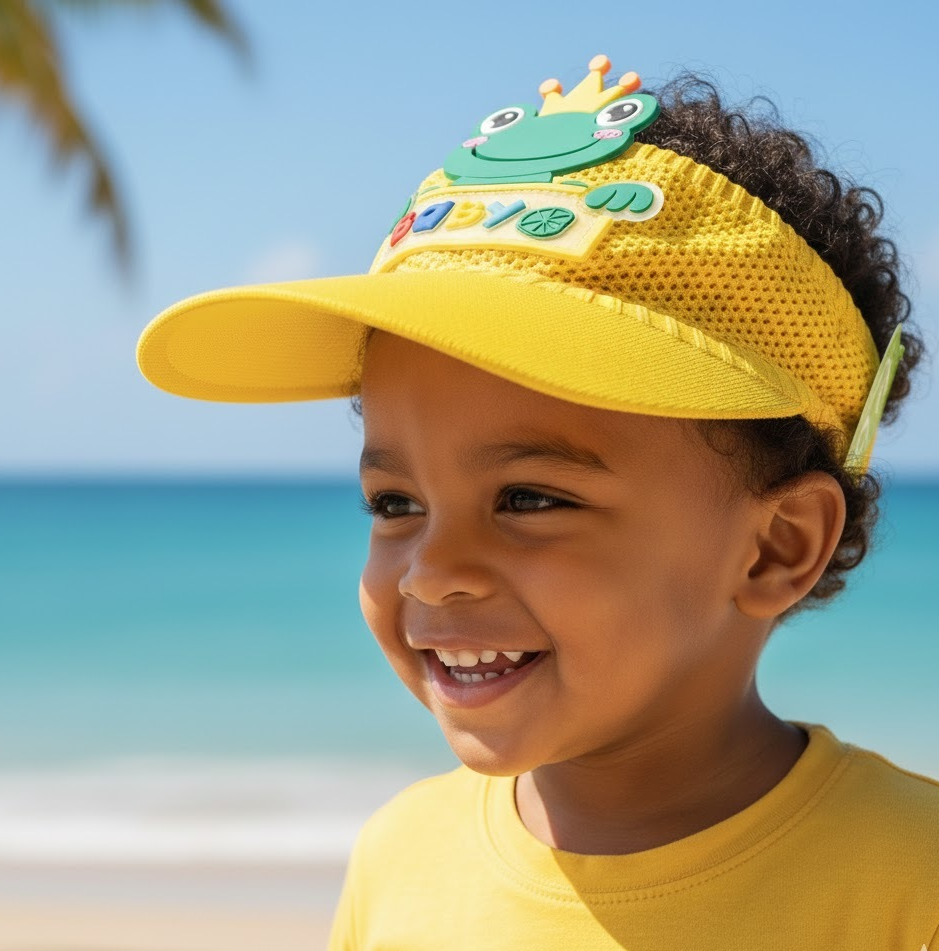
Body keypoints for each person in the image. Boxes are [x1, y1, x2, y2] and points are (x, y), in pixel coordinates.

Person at [137, 56, 938, 950]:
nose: (433, 573)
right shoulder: (401, 858)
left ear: (775, 548)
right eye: (395, 502)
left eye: (528, 496)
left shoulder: (908, 883)